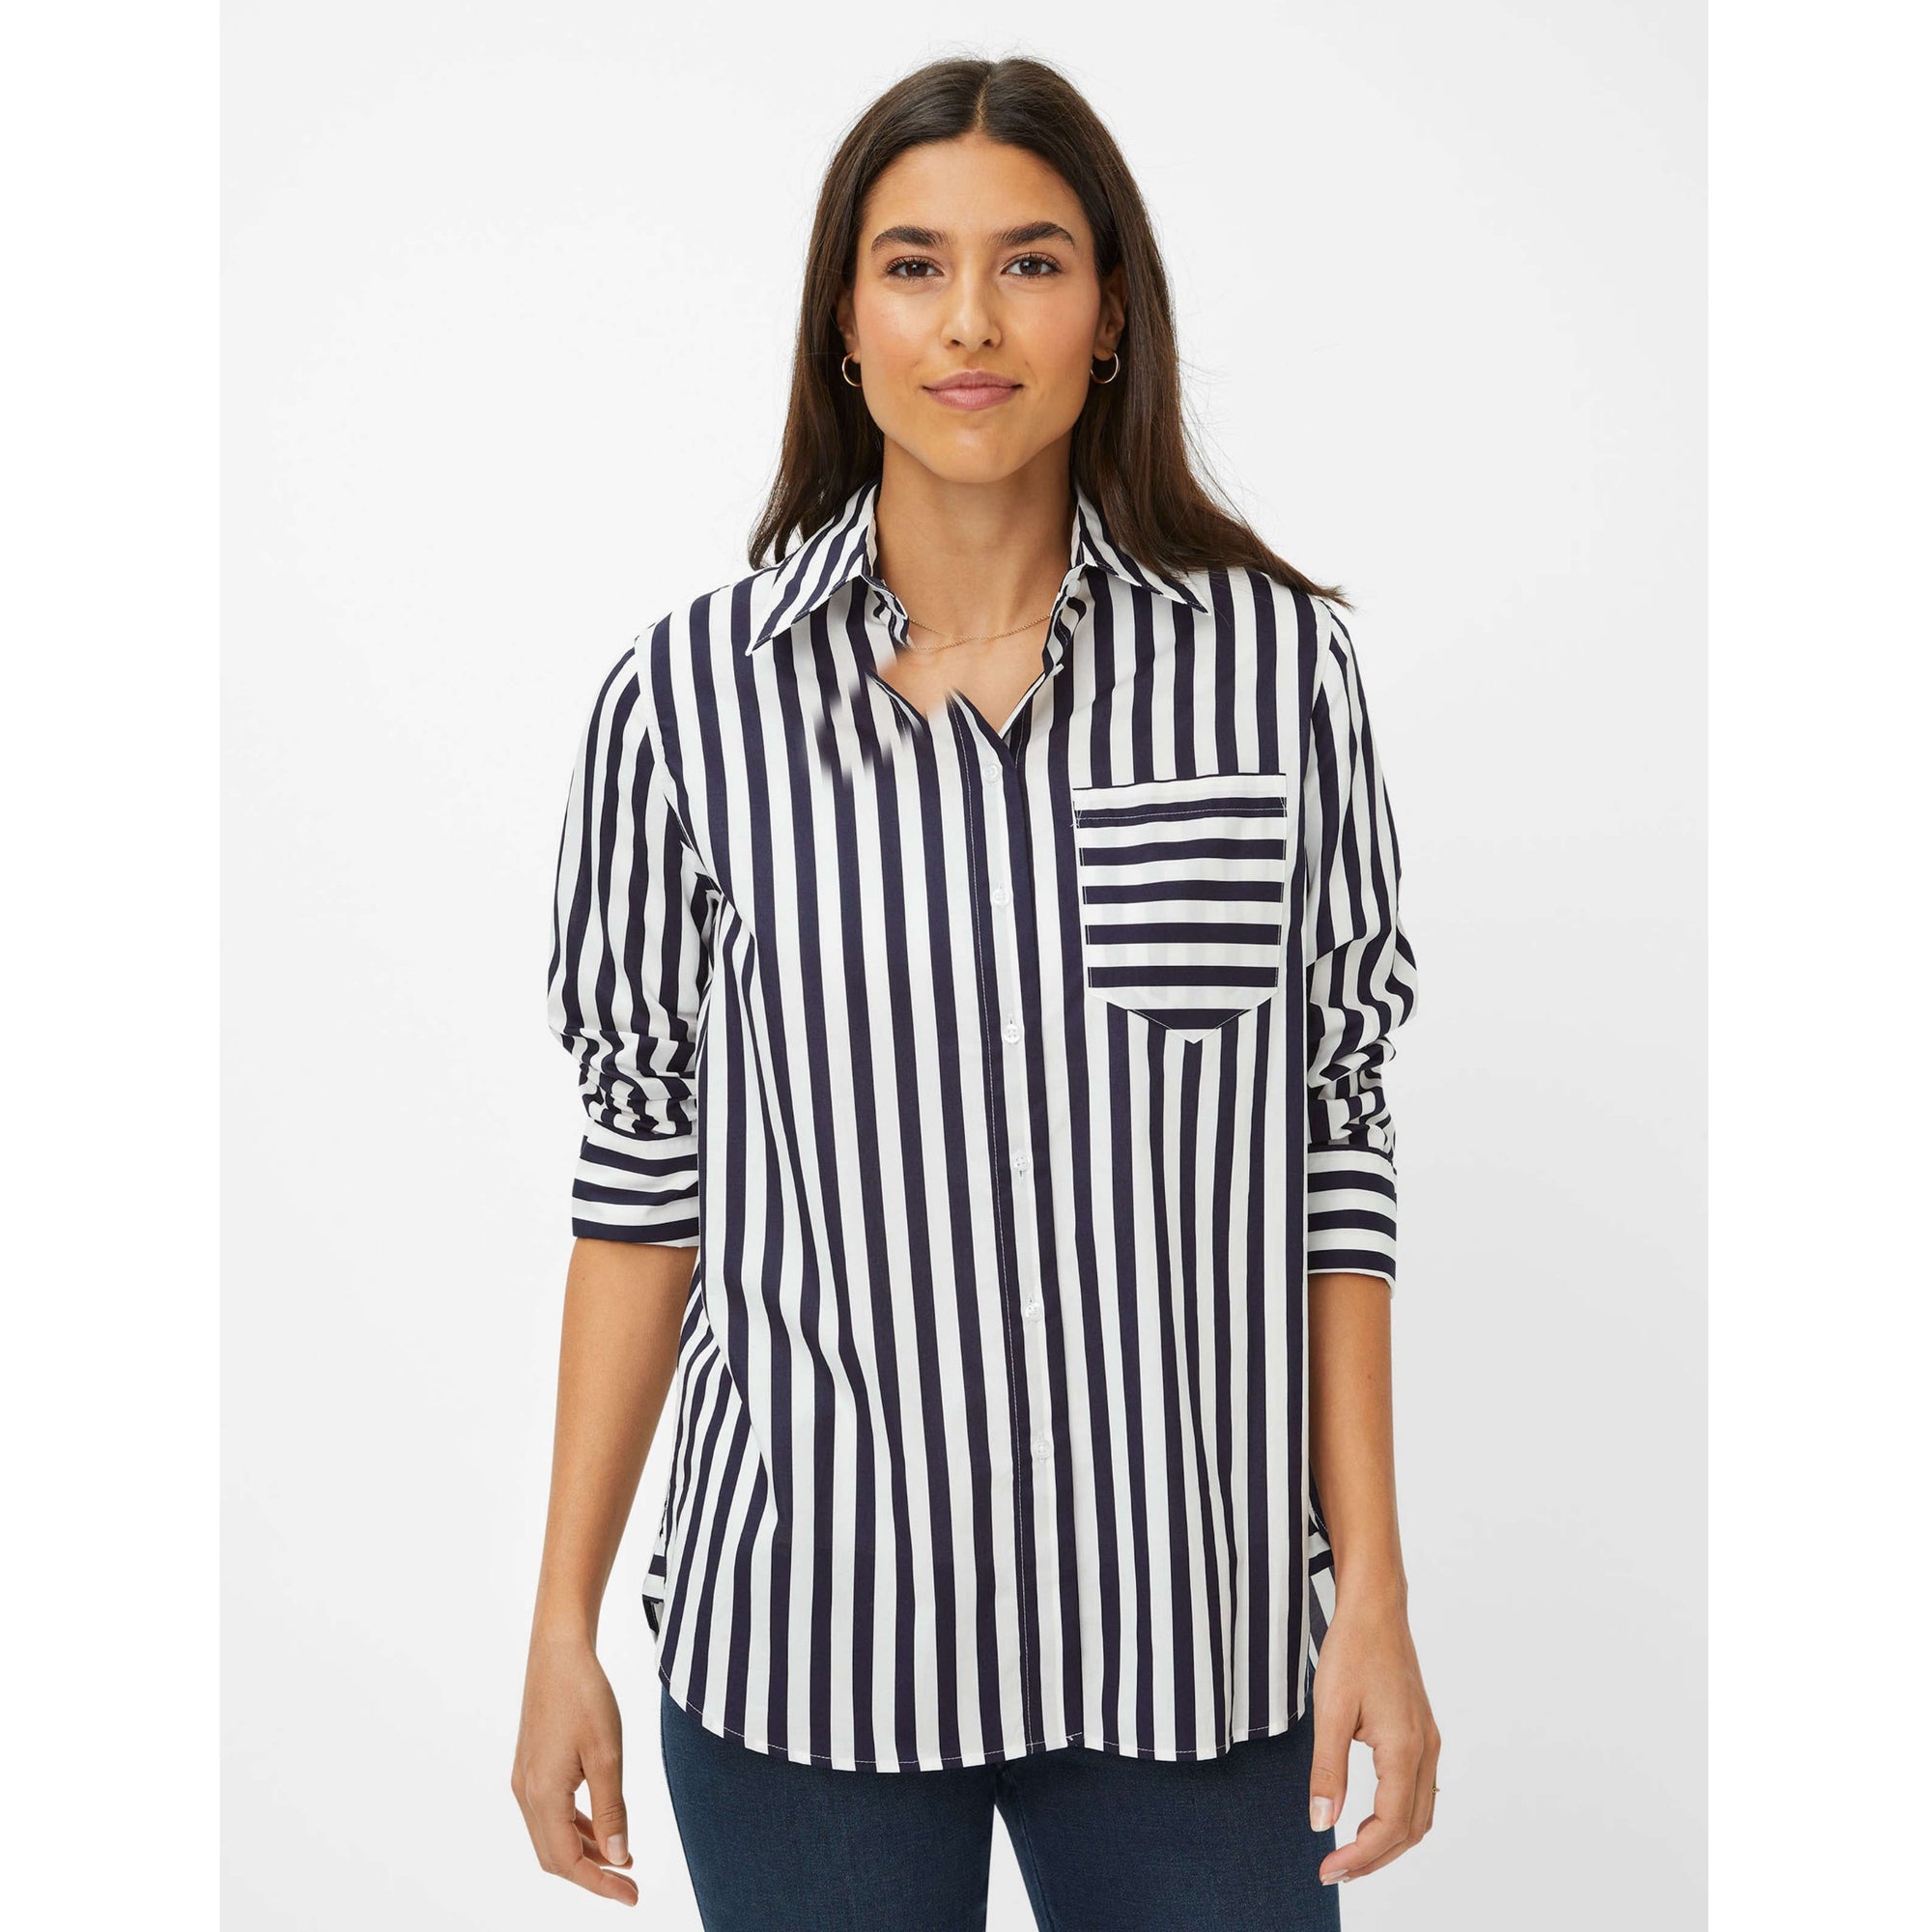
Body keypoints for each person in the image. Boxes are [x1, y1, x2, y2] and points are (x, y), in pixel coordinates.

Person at [511, 52, 1439, 1930]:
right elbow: (643, 1174)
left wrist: (1377, 1599)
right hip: (808, 1644)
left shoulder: (1274, 678)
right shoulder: (684, 709)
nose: (969, 322)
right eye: (912, 264)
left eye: (1029, 262)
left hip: (1191, 1646)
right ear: (842, 324)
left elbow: (1332, 1138)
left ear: (1111, 315)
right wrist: (560, 1621)